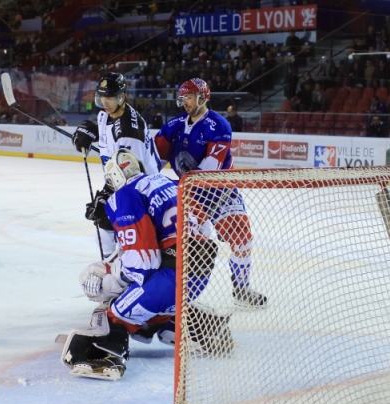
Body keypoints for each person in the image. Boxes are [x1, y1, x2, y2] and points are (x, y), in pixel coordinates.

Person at [61, 149, 233, 380]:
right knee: (151, 309)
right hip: (198, 277)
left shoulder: (125, 195)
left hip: (169, 278)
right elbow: (204, 228)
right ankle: (199, 327)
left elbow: (143, 259)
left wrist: (114, 283)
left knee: (114, 311)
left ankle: (108, 357)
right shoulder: (172, 183)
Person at [154, 78, 267, 308]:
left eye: (189, 97)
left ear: (202, 97)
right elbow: (153, 159)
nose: (184, 101)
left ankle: (242, 290)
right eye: (182, 97)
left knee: (242, 237)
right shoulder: (173, 126)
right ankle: (180, 296)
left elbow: (210, 170)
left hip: (220, 191)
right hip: (190, 196)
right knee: (192, 247)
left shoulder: (219, 126)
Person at [71, 72, 162, 258]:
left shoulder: (129, 131)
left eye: (110, 98)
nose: (105, 103)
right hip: (120, 180)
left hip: (143, 191)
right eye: (102, 97)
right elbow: (107, 132)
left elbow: (131, 177)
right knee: (104, 224)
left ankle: (118, 271)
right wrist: (88, 133)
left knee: (115, 227)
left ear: (122, 96)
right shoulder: (106, 115)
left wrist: (106, 195)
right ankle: (112, 268)